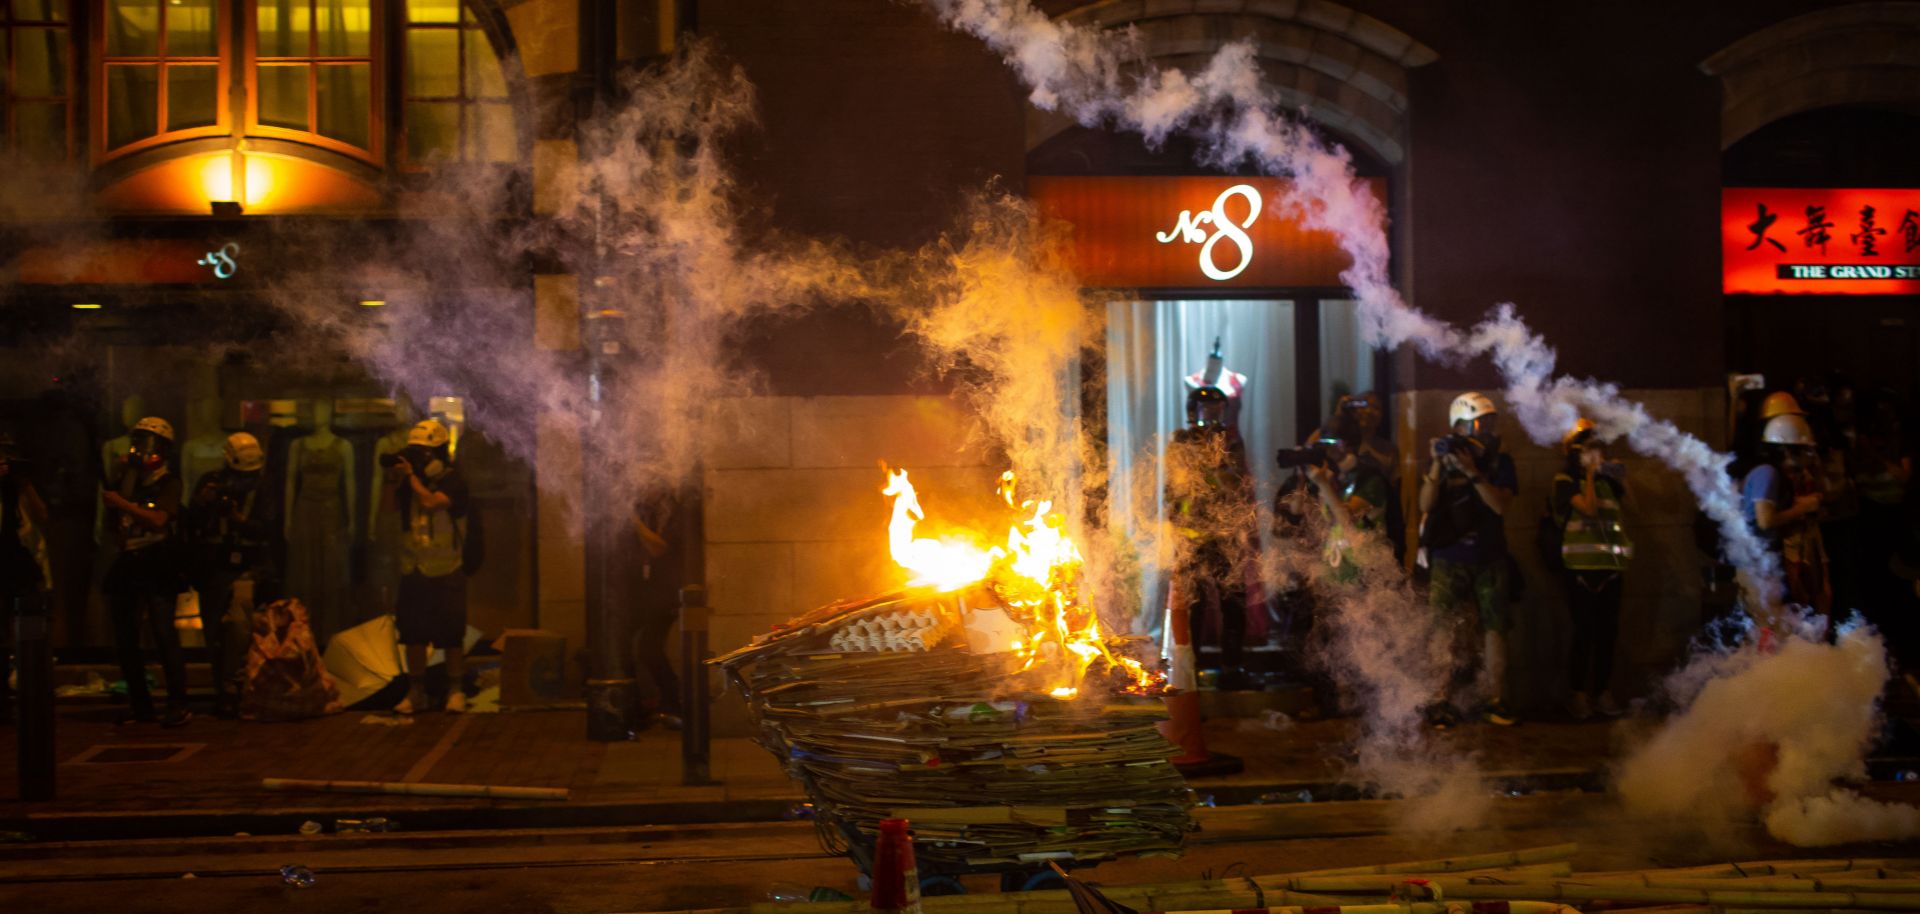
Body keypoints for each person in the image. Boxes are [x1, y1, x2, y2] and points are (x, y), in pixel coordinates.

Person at [1417, 392, 1518, 728]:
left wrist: (1473, 472)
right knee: (1441, 630)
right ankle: (1439, 700)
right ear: (1459, 427)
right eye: (1479, 423)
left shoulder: (1500, 463)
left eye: (1490, 422)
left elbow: (1500, 505)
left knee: (1495, 628)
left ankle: (1496, 699)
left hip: (1489, 554)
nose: (1486, 430)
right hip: (1449, 556)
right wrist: (1436, 465)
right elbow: (1426, 505)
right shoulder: (1444, 460)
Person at [1165, 385, 1259, 687]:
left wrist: (1219, 469)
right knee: (1195, 606)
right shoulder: (1181, 442)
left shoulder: (1231, 441)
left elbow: (1237, 484)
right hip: (1192, 537)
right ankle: (1189, 670)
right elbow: (1174, 488)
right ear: (1194, 412)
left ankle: (1232, 668)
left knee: (1234, 602)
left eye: (1219, 410)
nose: (1214, 416)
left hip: (1226, 536)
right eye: (1209, 410)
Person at [102, 416, 191, 727]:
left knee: (164, 635)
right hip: (129, 562)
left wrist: (123, 505)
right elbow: (114, 527)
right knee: (126, 638)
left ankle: (178, 702)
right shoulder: (127, 479)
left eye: (149, 444)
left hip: (158, 563)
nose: (143, 449)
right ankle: (141, 705)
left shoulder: (169, 483)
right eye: (139, 441)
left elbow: (159, 520)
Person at [185, 432, 279, 719]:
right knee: (214, 632)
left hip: (245, 567)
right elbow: (191, 522)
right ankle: (222, 690)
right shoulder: (211, 483)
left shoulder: (262, 488)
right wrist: (203, 503)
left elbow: (268, 528)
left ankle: (235, 687)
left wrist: (241, 521)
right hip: (213, 568)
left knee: (239, 628)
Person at [382, 419, 471, 714]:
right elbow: (387, 510)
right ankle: (416, 691)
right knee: (413, 634)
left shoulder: (453, 479)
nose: (418, 460)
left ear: (438, 453)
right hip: (414, 569)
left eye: (423, 454)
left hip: (447, 569)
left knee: (451, 634)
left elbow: (433, 503)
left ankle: (455, 690)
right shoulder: (409, 483)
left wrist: (412, 479)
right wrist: (392, 482)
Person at [1551, 419, 1632, 721]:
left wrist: (1619, 476)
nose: (1597, 453)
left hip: (1610, 567)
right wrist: (1587, 472)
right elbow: (1588, 508)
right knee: (1583, 632)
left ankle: (1603, 691)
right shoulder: (1565, 479)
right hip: (1581, 569)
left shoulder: (1608, 480)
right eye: (1589, 448)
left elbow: (1629, 504)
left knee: (1607, 634)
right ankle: (1577, 694)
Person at [1742, 412, 1830, 618]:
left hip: (1763, 558)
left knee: (1775, 625)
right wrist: (1803, 509)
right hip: (1756, 560)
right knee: (1768, 626)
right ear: (1788, 451)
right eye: (1806, 451)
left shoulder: (1773, 474)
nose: (1811, 456)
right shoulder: (1767, 473)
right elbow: (1765, 521)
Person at [0, 434, 52, 723]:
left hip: (18, 563)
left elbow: (41, 514)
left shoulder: (18, 488)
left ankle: (27, 691)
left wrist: (25, 484)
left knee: (27, 626)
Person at [630, 490, 683, 729]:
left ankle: (673, 701)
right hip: (650, 593)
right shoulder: (647, 508)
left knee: (648, 650)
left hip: (667, 593)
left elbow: (659, 548)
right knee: (642, 648)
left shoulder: (672, 511)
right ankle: (662, 701)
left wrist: (633, 521)